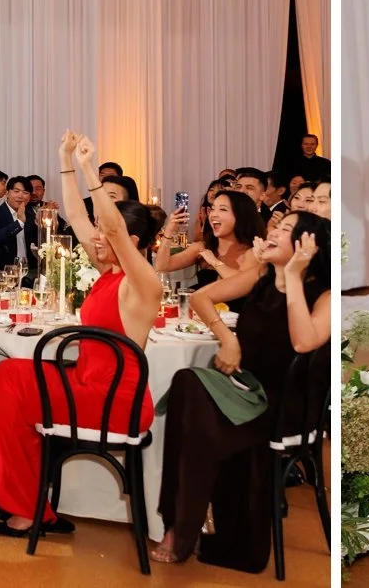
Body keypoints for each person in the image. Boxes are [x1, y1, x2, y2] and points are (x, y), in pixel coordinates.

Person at [0, 131, 163, 537]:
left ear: (131, 242)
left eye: (105, 232)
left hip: (115, 398)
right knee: (10, 373)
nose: (95, 235)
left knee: (16, 388)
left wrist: (90, 169)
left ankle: (0, 491)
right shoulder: (108, 270)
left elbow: (110, 226)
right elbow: (78, 216)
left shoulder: (142, 283)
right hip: (85, 383)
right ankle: (13, 497)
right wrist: (65, 161)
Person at [153, 211, 334, 568]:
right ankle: (183, 524)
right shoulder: (260, 276)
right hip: (244, 391)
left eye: (285, 229)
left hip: (282, 407)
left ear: (307, 245)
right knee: (188, 388)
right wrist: (228, 339)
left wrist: (293, 276)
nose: (272, 232)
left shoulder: (324, 295)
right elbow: (201, 298)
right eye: (276, 226)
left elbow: (303, 342)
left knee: (193, 415)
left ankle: (180, 528)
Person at [156, 191, 264, 289]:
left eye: (223, 209)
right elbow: (162, 267)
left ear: (241, 216)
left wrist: (214, 262)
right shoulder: (203, 247)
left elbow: (241, 285)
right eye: (213, 209)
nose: (213, 215)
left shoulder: (253, 252)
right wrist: (169, 232)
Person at [0, 177, 38, 272]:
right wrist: (19, 223)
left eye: (25, 193)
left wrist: (43, 225)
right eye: (16, 191)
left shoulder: (31, 215)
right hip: (5, 272)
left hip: (30, 271)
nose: (20, 196)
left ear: (29, 197)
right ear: (7, 193)